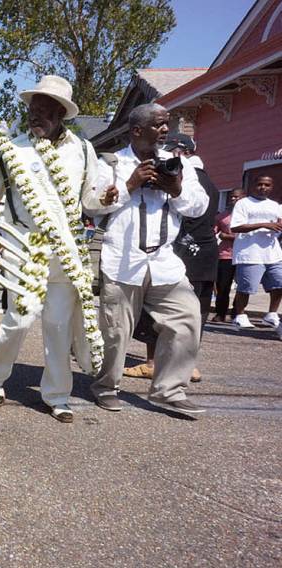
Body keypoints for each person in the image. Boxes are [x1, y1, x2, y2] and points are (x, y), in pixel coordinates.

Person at [0, 75, 108, 423]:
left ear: (61, 114)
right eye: (32, 111)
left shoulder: (83, 150)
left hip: (67, 250)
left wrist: (108, 197)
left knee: (58, 326)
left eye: (44, 111)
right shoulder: (12, 149)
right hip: (25, 247)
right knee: (18, 320)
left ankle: (57, 396)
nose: (35, 117)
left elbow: (90, 199)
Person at [89, 103, 209, 416]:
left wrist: (176, 187)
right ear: (137, 130)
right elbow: (93, 207)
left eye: (167, 124)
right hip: (122, 261)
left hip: (165, 262)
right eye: (158, 125)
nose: (166, 130)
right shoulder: (111, 163)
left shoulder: (177, 163)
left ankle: (169, 390)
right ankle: (105, 386)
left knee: (187, 318)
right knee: (115, 331)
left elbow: (199, 206)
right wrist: (130, 184)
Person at [123, 133, 220, 383]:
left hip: (180, 252)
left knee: (160, 313)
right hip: (206, 254)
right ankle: (188, 365)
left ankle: (154, 363)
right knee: (194, 313)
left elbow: (182, 216)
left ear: (179, 152)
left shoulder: (187, 177)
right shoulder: (211, 180)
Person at [229, 175, 282, 334]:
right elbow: (235, 227)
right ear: (253, 186)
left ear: (271, 187)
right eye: (260, 184)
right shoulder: (243, 203)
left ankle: (271, 313)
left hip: (272, 253)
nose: (263, 187)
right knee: (246, 287)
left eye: (267, 185)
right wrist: (264, 224)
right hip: (249, 253)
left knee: (279, 283)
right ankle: (239, 315)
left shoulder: (275, 206)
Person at [212, 188, 245, 322]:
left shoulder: (248, 216)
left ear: (244, 198)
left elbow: (247, 234)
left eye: (237, 197)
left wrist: (227, 236)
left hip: (244, 255)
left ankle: (237, 312)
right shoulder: (222, 216)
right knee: (223, 286)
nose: (233, 199)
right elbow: (214, 232)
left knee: (243, 286)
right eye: (231, 197)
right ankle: (220, 313)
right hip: (225, 255)